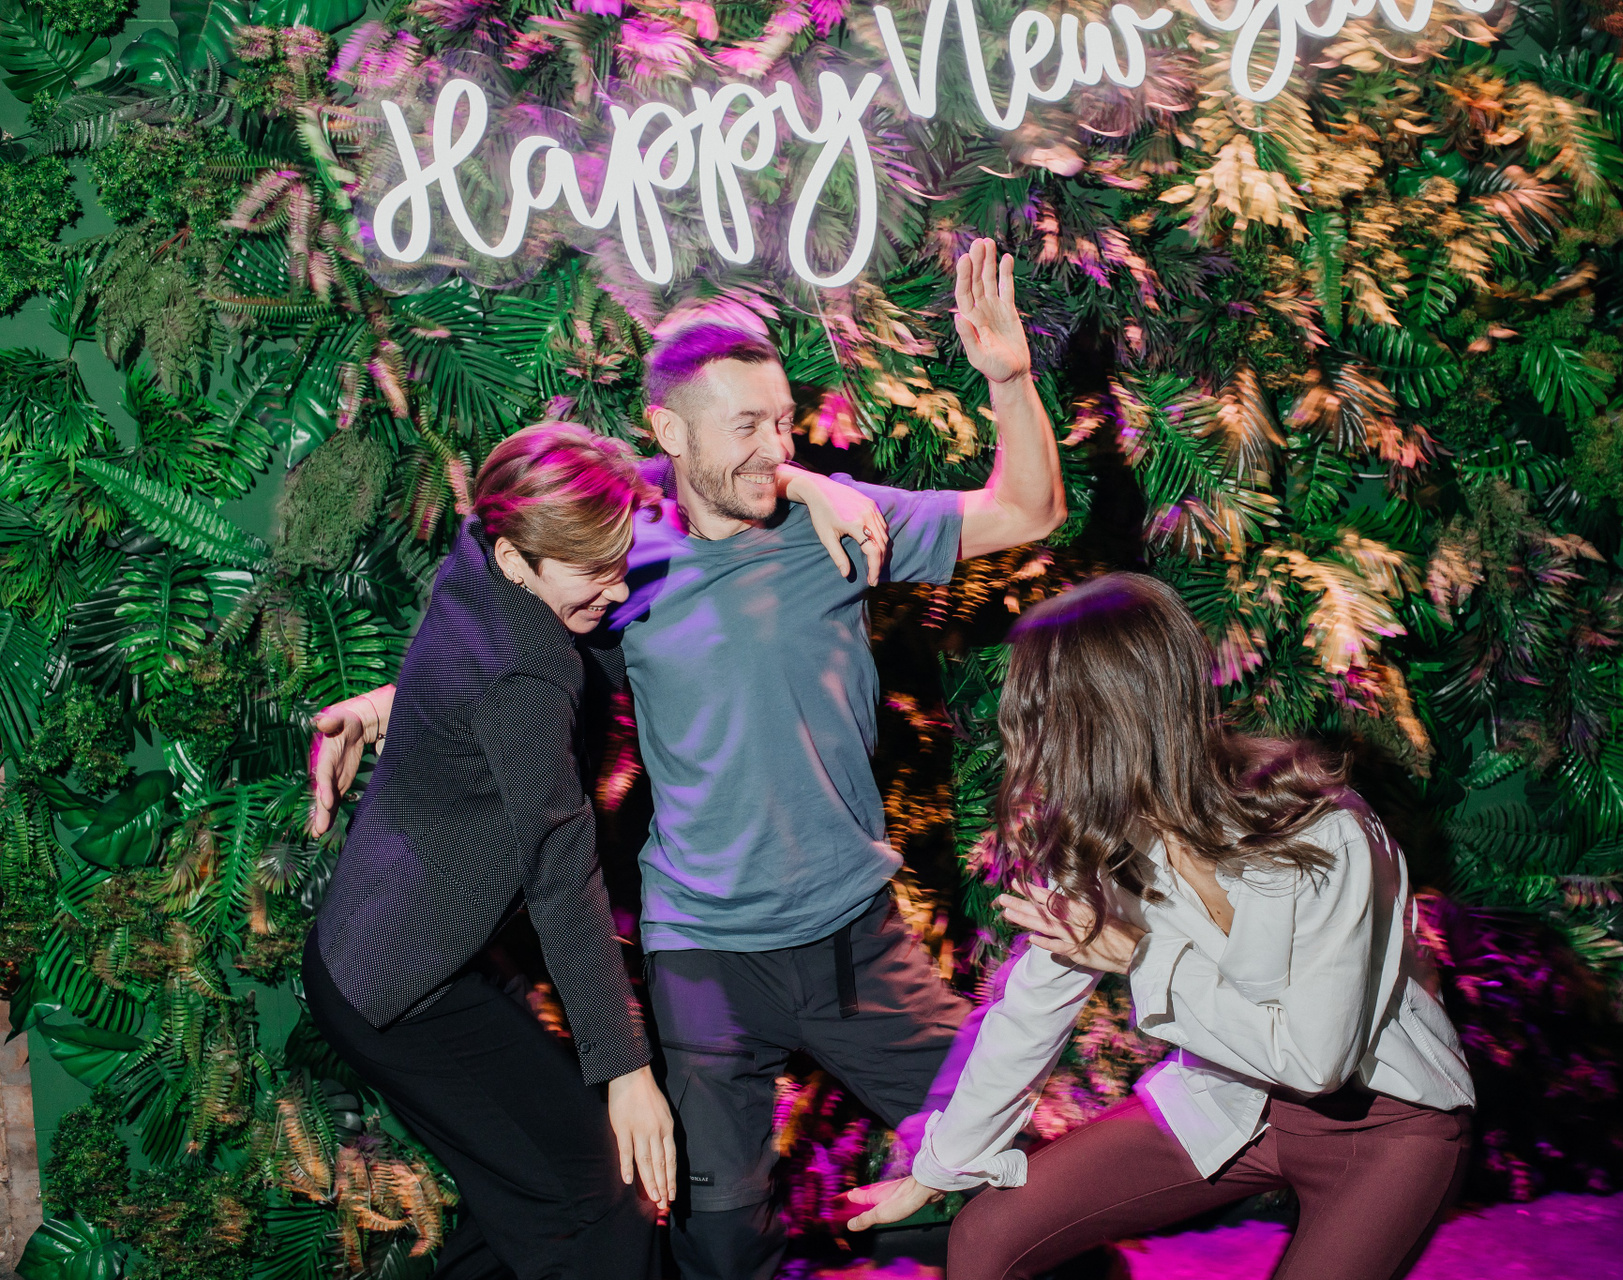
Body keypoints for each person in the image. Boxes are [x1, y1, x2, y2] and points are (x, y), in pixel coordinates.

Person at [309, 237, 1067, 1280]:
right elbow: (513, 621)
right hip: (704, 956)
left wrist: (1007, 382)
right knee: (713, 1244)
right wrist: (396, 700)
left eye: (784, 424)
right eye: (746, 425)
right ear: (668, 431)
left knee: (1021, 1172)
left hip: (855, 941)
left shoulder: (841, 527)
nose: (774, 446)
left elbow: (1028, 511)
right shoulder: (621, 550)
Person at [303, 422, 888, 1280]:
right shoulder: (526, 678)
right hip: (401, 995)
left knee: (538, 1205)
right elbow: (561, 876)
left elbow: (648, 475)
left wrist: (802, 484)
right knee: (603, 1203)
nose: (618, 589)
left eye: (621, 561)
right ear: (518, 560)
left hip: (389, 949)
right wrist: (627, 1073)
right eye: (595, 573)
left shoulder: (493, 531)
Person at [843, 572, 1478, 1280]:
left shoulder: (1322, 832)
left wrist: (1142, 956)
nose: (1029, 749)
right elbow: (1030, 1011)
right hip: (1230, 1102)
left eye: (1043, 721)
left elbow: (1313, 1064)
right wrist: (939, 1167)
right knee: (987, 1236)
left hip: (1387, 1123)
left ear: (1110, 723)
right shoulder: (1100, 834)